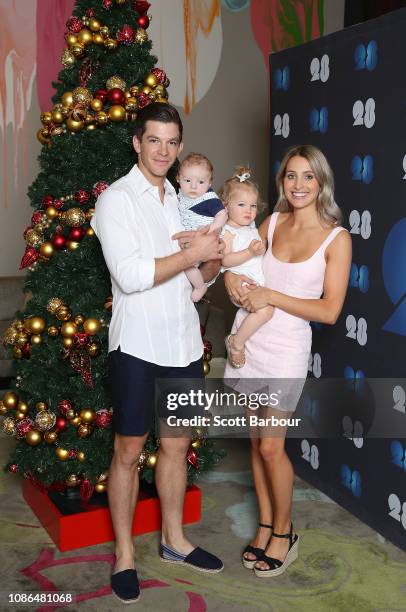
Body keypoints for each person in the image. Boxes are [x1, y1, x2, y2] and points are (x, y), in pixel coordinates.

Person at [91, 102, 224, 604]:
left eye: (172, 142)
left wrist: (208, 262)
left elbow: (204, 275)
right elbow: (130, 276)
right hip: (138, 346)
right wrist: (190, 254)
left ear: (180, 146)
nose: (164, 151)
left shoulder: (186, 199)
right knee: (128, 451)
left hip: (184, 343)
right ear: (136, 143)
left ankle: (174, 540)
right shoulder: (116, 200)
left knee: (174, 446)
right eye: (154, 141)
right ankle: (125, 553)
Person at [224, 145, 352, 578]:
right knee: (256, 444)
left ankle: (284, 532)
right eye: (290, 176)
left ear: (322, 182)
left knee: (272, 445)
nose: (298, 185)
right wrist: (235, 283)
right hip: (250, 342)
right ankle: (263, 525)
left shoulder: (338, 238)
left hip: (286, 349)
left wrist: (271, 296)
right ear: (282, 182)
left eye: (308, 177)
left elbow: (330, 311)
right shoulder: (272, 222)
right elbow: (240, 264)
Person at [220, 166, 274, 368]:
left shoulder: (250, 228)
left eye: (252, 206)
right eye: (241, 204)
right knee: (266, 311)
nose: (249, 211)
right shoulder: (227, 231)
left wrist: (259, 249)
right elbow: (225, 261)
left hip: (254, 280)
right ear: (226, 206)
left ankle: (239, 340)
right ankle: (236, 342)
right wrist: (250, 252)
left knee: (265, 312)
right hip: (242, 280)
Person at [177, 153, 228, 302]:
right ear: (178, 178)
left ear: (210, 182)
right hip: (187, 239)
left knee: (186, 263)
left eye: (201, 182)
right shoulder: (179, 195)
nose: (193, 186)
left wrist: (211, 230)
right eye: (187, 180)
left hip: (204, 238)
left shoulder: (209, 199)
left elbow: (222, 215)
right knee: (183, 263)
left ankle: (200, 286)